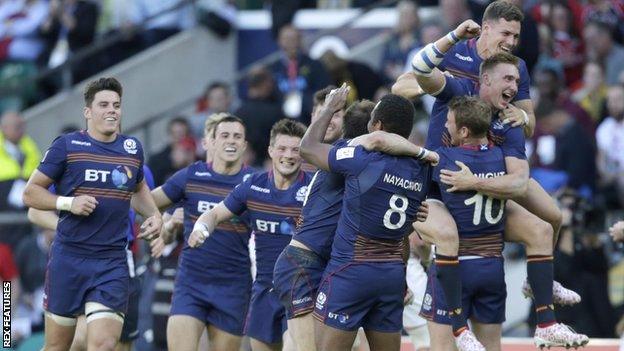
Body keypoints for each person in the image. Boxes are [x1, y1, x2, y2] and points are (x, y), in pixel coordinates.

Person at [410, 21, 588, 348]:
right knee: (444, 237)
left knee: (550, 220)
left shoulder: (510, 119)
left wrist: (524, 120)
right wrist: (451, 38)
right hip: (439, 194)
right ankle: (456, 324)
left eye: (517, 82)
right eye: (509, 80)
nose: (515, 87)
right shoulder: (460, 92)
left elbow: (520, 175)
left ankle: (541, 291)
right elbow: (418, 71)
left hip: (484, 220)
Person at [273, 94, 438, 351]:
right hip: (379, 271)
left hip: (346, 268)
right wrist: (422, 151)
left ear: (377, 127)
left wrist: (329, 108)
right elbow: (404, 233)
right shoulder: (422, 169)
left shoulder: (357, 158)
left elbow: (308, 148)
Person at [21, 77, 162, 351]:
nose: (112, 110)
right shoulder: (67, 146)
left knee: (105, 344)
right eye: (104, 105)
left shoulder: (131, 150)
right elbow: (30, 194)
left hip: (112, 261)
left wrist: (154, 215)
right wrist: (67, 203)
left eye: (117, 105)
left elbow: (139, 189)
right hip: (69, 259)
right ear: (88, 111)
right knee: (58, 346)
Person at [189, 118, 312, 351]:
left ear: (303, 154)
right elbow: (214, 214)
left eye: (296, 150)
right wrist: (201, 229)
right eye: (282, 148)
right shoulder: (253, 186)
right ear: (271, 150)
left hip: (301, 289)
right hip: (265, 290)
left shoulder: (314, 191)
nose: (289, 155)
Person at [149, 114, 255, 351]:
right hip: (191, 283)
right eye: (225, 135)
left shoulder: (254, 183)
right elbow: (150, 201)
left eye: (237, 136)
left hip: (234, 287)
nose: (231, 141)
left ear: (245, 145)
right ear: (211, 142)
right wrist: (160, 218)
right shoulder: (191, 176)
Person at [421, 96, 507, 351]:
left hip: (454, 268)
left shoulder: (446, 159)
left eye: (449, 123)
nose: (445, 128)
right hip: (492, 265)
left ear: (464, 131)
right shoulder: (501, 157)